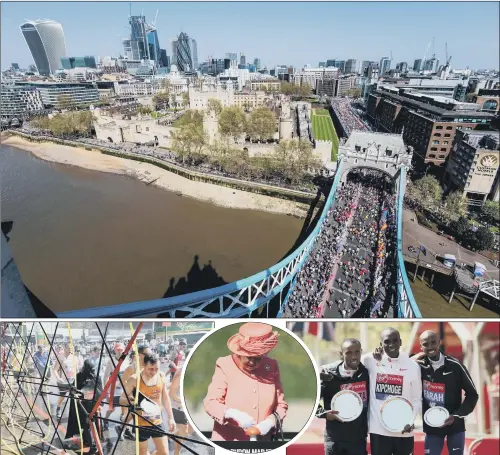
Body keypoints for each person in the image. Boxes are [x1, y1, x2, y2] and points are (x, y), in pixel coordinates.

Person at [204, 322, 288, 441]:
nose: (253, 363)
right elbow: (210, 403)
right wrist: (232, 414)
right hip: (230, 442)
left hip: (262, 443)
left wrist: (270, 422)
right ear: (239, 353)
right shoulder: (225, 364)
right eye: (249, 358)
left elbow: (281, 405)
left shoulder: (271, 365)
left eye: (258, 359)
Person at [414, 330, 478, 455]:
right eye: (426, 344)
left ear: (439, 342)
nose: (430, 347)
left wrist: (457, 415)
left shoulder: (455, 366)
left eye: (433, 342)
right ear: (421, 347)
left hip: (455, 425)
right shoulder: (417, 366)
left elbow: (473, 394)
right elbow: (400, 365)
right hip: (432, 427)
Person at [363, 328, 422, 455]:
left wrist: (411, 421)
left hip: (404, 430)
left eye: (395, 341)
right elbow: (349, 361)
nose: (391, 345)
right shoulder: (370, 360)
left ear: (400, 342)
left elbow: (417, 398)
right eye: (387, 341)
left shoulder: (412, 366)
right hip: (378, 430)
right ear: (381, 344)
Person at [317, 338, 370, 455]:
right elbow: (311, 400)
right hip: (334, 439)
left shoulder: (366, 373)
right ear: (341, 354)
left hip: (358, 440)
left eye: (357, 352)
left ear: (361, 352)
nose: (354, 356)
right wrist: (325, 414)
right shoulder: (328, 375)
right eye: (349, 353)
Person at [121, 353, 176, 455]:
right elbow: (122, 399)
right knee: (143, 453)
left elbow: (166, 398)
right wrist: (134, 401)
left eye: (156, 368)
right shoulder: (134, 379)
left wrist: (171, 418)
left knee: (164, 453)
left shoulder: (161, 376)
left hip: (157, 421)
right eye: (151, 369)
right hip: (141, 424)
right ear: (144, 366)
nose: (154, 372)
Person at [65, 359, 103, 453]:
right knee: (86, 424)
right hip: (83, 406)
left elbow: (100, 391)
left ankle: (93, 445)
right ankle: (89, 441)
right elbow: (74, 390)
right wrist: (75, 391)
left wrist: (100, 403)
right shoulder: (79, 376)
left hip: (92, 406)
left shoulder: (96, 377)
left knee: (89, 424)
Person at [102, 343, 129, 436]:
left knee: (125, 406)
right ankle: (105, 420)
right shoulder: (111, 361)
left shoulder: (126, 361)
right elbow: (105, 377)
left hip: (123, 389)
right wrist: (106, 392)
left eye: (121, 350)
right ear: (115, 350)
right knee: (111, 408)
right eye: (118, 350)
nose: (120, 351)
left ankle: (123, 422)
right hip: (113, 389)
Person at [169, 357, 193, 455]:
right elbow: (172, 393)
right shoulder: (181, 373)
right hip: (178, 407)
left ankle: (172, 434)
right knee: (184, 432)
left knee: (188, 431)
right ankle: (176, 453)